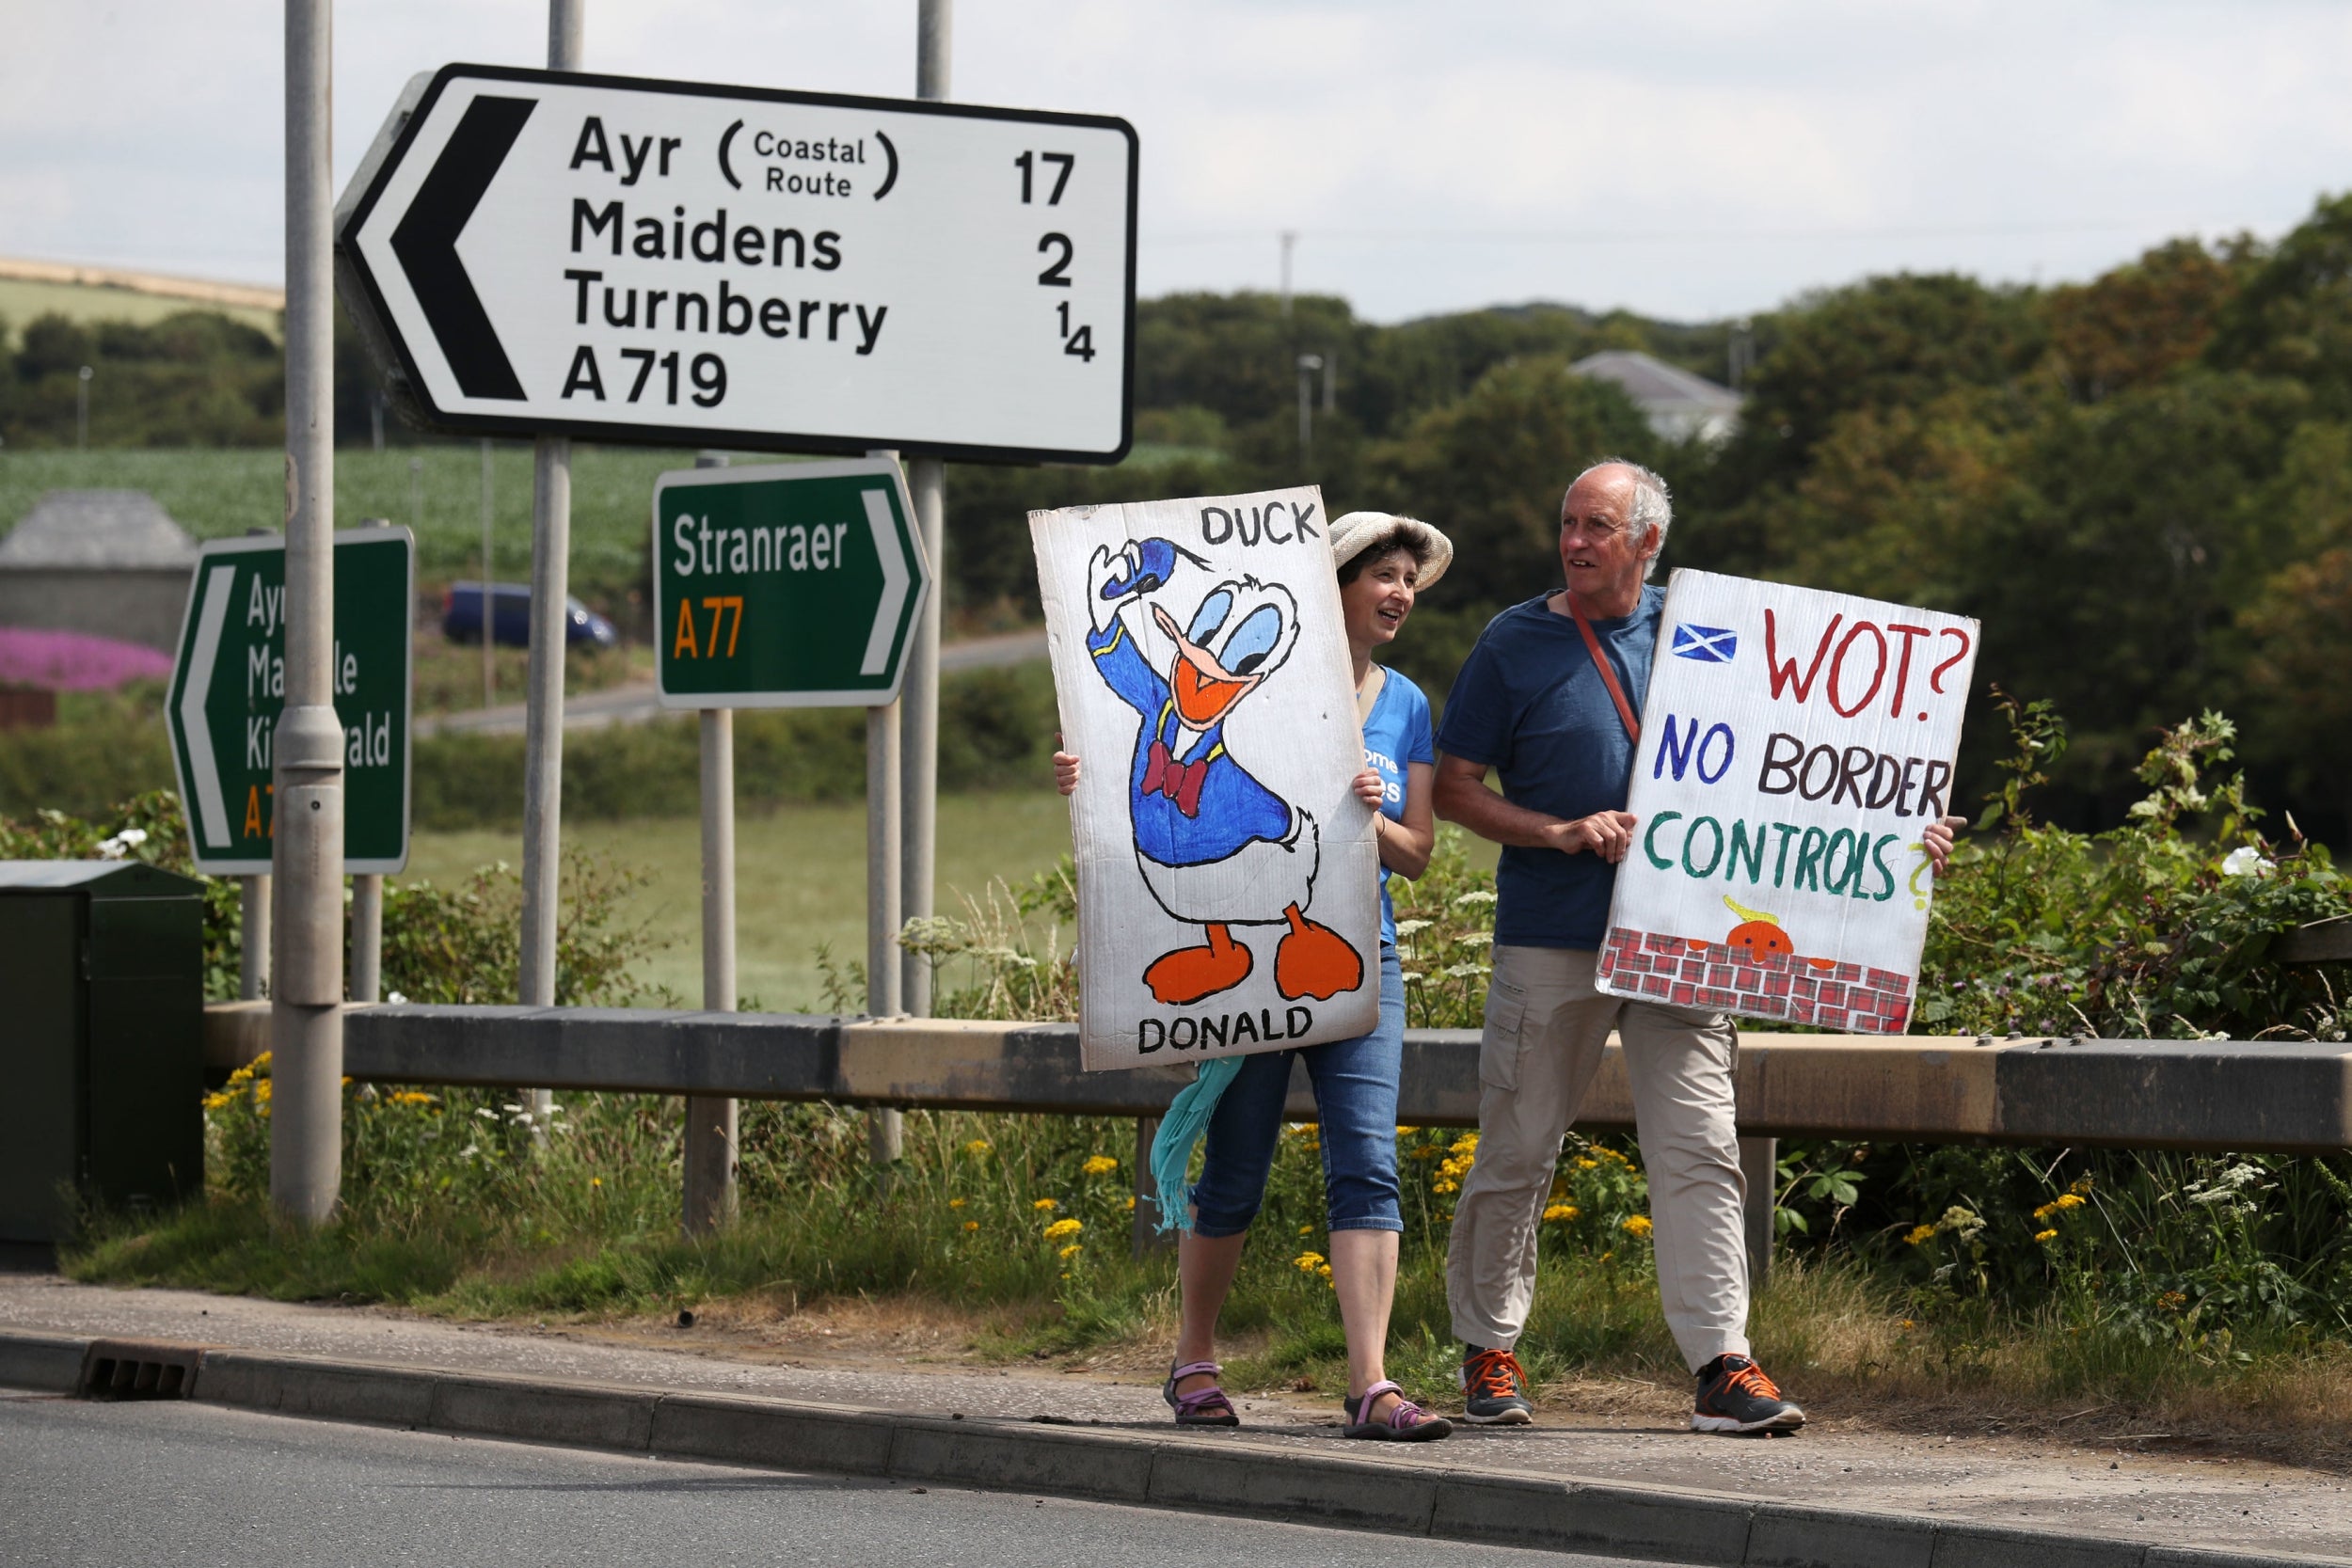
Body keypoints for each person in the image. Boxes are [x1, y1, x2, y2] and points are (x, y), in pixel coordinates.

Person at [1432, 460, 1961, 1434]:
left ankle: (1723, 1363)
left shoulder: (1718, 630)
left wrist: (1902, 833)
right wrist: (1554, 830)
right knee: (1517, 1144)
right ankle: (1487, 1350)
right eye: (1568, 521)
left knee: (1701, 1149)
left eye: (1597, 525)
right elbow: (1455, 784)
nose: (1575, 540)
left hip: (1685, 939)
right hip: (1553, 934)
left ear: (1648, 541)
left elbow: (1814, 774)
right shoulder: (1514, 640)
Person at [1055, 512, 1454, 1441]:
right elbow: (1125, 718)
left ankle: (1371, 1382)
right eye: (1381, 574)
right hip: (1247, 970)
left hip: (1358, 955)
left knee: (1367, 1160)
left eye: (1407, 577)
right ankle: (1193, 1359)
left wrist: (1370, 815)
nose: (1398, 592)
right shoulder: (1253, 691)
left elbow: (1419, 852)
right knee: (1236, 1163)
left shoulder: (1406, 705)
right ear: (1335, 582)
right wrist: (1083, 769)